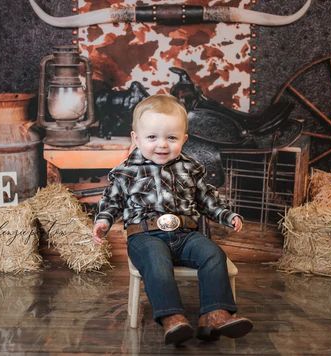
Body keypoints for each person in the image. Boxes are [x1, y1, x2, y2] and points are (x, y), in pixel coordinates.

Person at [92, 94, 253, 345]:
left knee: (213, 254)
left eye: (172, 137)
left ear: (184, 140)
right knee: (157, 261)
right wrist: (103, 221)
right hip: (145, 237)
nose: (162, 145)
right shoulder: (126, 171)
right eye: (152, 137)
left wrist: (226, 215)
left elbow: (206, 198)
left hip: (186, 234)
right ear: (136, 138)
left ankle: (215, 314)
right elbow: (112, 201)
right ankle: (172, 317)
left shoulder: (191, 168)